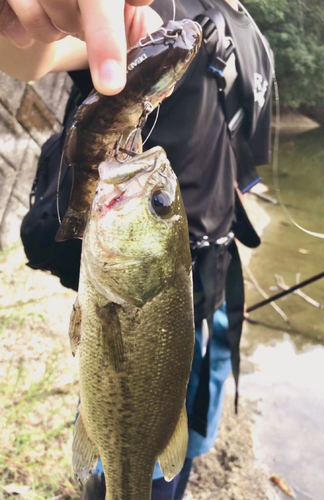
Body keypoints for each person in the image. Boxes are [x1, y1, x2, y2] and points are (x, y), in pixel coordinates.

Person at [0, 1, 273, 499]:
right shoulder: (154, 9)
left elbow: (237, 170)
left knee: (185, 444)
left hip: (211, 280)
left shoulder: (254, 40)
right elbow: (32, 57)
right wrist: (15, 20)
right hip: (148, 270)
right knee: (128, 438)